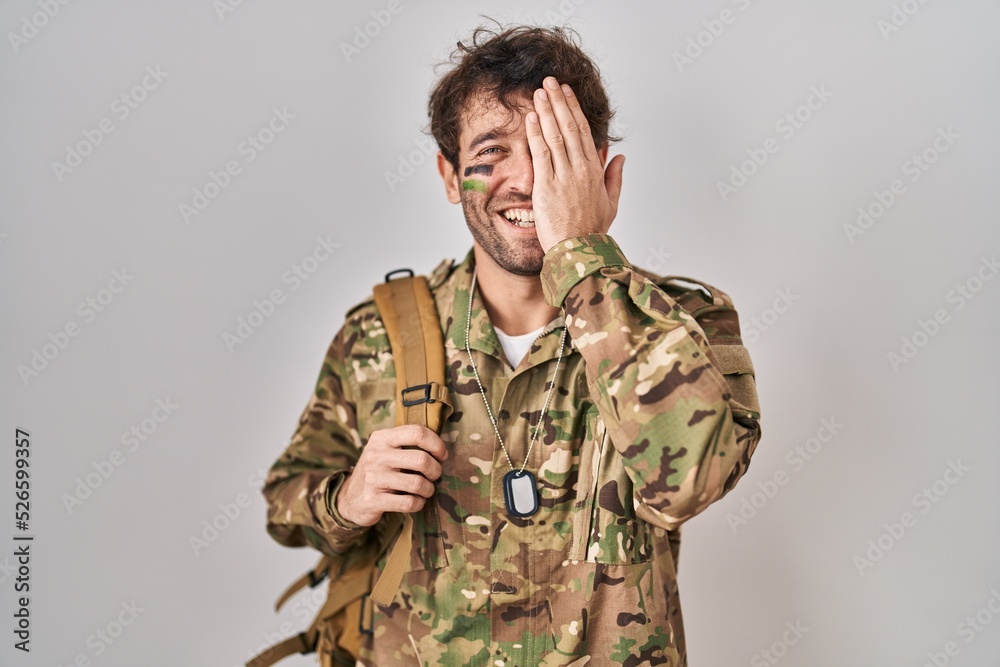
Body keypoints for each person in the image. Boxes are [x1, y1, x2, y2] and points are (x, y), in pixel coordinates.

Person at [262, 22, 762, 666]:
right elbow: (285, 505)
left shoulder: (684, 322)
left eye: (552, 150)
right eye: (492, 152)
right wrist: (349, 499)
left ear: (601, 168)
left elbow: (692, 479)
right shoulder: (379, 335)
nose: (525, 181)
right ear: (449, 175)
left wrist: (582, 259)